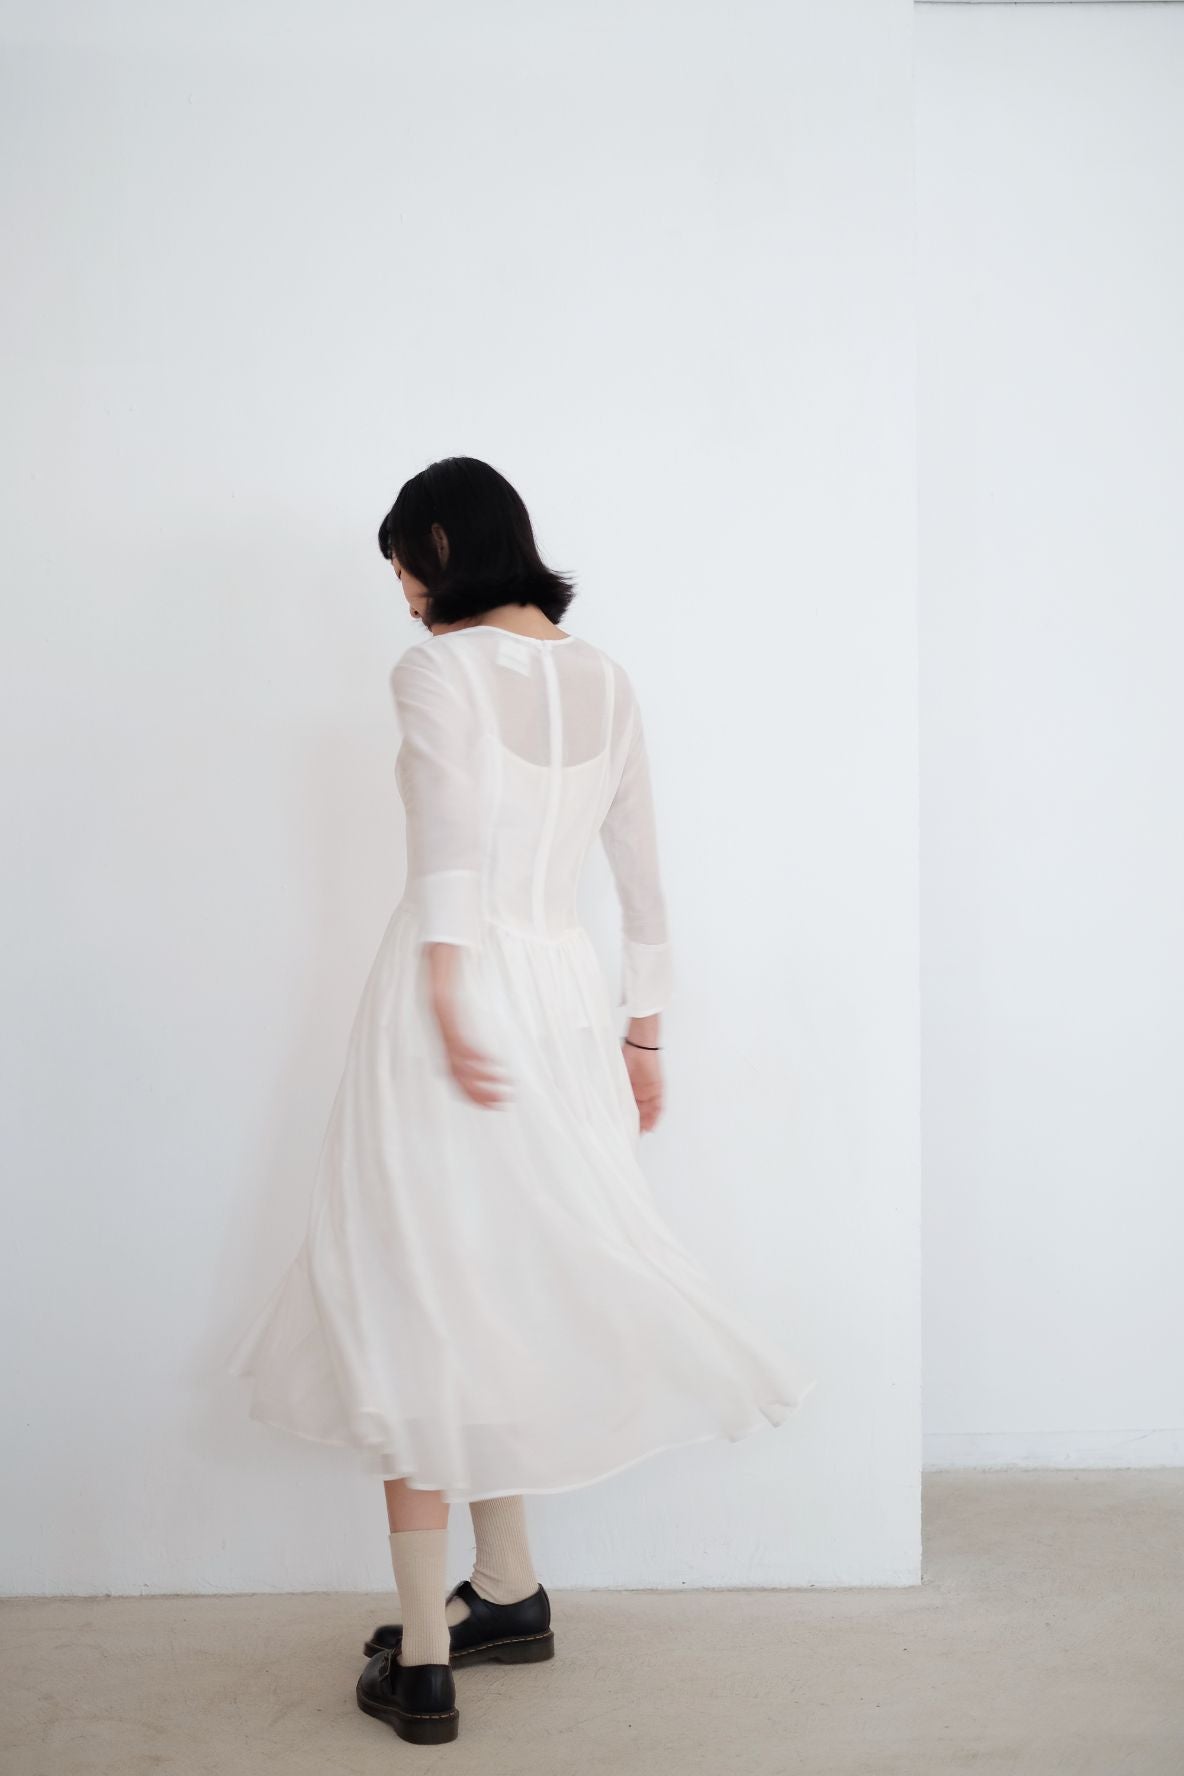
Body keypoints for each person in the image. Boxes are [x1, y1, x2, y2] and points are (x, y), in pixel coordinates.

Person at [226, 455, 816, 1745]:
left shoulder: (436, 672)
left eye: (403, 565)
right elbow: (642, 872)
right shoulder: (607, 678)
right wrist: (644, 1032)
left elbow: (446, 841)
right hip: (564, 996)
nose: (401, 594)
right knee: (495, 1277)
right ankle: (506, 1589)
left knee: (411, 1284)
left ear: (442, 546)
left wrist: (446, 980)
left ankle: (424, 1663)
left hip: (455, 991)